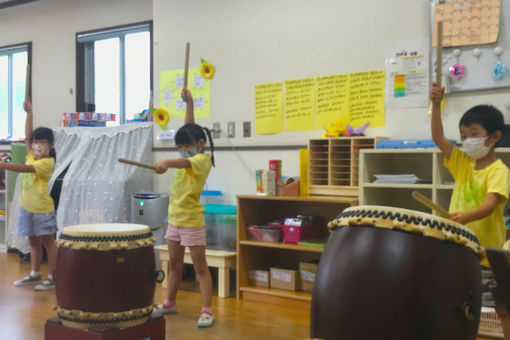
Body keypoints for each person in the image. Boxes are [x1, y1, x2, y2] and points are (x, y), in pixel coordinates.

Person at [430, 82, 510, 337]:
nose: (466, 141)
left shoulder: (499, 171)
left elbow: (489, 205)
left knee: (497, 307)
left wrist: (465, 217)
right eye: (463, 135)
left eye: (473, 134)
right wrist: (435, 104)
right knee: (460, 304)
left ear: (495, 136)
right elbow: (438, 137)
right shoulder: (463, 162)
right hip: (459, 249)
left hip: (486, 254)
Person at [153, 88, 216, 328]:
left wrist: (167, 162)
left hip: (191, 220)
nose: (181, 149)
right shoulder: (190, 147)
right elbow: (189, 128)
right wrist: (189, 104)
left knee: (200, 267)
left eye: (185, 145)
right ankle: (169, 302)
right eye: (178, 146)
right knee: (174, 265)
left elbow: (186, 159)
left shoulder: (202, 159)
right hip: (175, 220)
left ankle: (207, 310)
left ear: (200, 144)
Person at [0, 99, 58, 291]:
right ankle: (35, 273)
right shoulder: (32, 154)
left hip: (42, 208)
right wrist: (29, 114)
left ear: (50, 145)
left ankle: (54, 276)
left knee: (48, 242)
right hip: (27, 206)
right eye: (36, 142)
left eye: (42, 142)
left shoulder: (46, 163)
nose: (37, 145)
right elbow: (27, 135)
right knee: (32, 241)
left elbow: (25, 168)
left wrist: (4, 165)